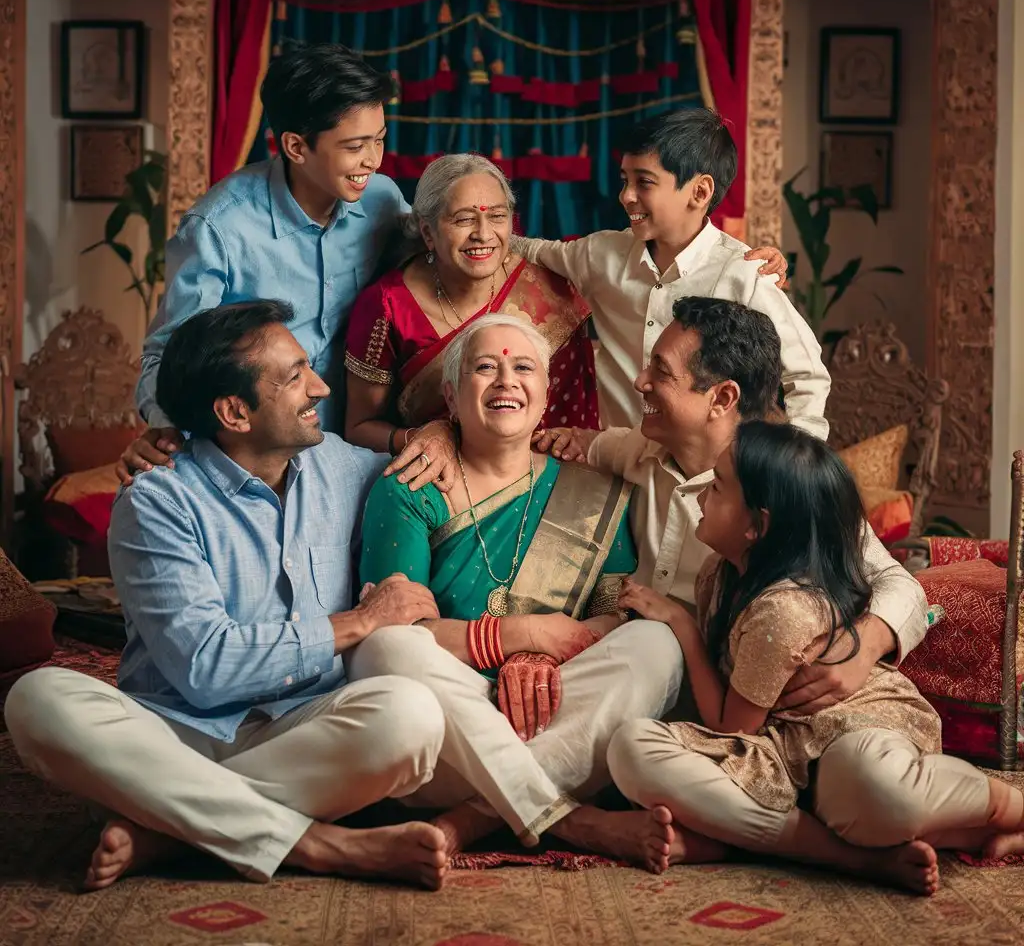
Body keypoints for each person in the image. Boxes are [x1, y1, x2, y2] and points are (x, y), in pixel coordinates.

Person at [4, 301, 454, 891]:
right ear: (235, 412)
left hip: (302, 731)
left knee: (411, 717)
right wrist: (359, 622)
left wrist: (441, 432)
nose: (319, 387)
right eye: (294, 377)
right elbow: (205, 668)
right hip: (171, 733)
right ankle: (320, 844)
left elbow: (439, 459)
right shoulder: (157, 503)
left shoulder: (341, 467)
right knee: (39, 699)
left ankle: (171, 828)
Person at [607, 420, 1024, 894]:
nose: (701, 495)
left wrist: (680, 625)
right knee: (630, 748)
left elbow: (732, 731)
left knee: (877, 791)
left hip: (857, 730)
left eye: (718, 488)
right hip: (789, 756)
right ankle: (854, 856)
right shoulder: (717, 575)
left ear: (757, 525)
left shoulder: (781, 612)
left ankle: (1011, 811)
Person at [347, 314, 686, 865]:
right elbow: (399, 626)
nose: (507, 379)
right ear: (452, 400)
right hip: (446, 725)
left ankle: (478, 817)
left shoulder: (594, 490)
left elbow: (613, 616)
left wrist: (545, 656)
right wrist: (516, 635)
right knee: (385, 650)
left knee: (657, 643)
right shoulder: (412, 484)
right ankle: (570, 820)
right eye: (486, 367)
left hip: (553, 713)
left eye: (523, 367)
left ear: (546, 395)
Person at [536, 297, 928, 715]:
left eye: (661, 371)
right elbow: (574, 442)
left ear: (722, 398)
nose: (640, 381)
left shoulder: (785, 486)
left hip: (735, 703)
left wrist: (864, 648)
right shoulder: (639, 447)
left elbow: (902, 585)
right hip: (632, 663)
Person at [118, 43, 446, 490]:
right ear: (295, 145)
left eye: (380, 139)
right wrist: (165, 428)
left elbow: (433, 271)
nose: (373, 160)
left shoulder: (383, 200)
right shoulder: (218, 228)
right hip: (253, 461)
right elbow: (168, 352)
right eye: (355, 146)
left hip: (357, 455)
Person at [510, 107, 830, 435]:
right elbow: (530, 250)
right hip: (613, 465)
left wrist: (795, 471)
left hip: (708, 478)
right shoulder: (600, 255)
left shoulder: (744, 274)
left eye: (644, 182)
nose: (626, 196)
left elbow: (807, 376)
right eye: (625, 181)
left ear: (700, 192)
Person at [343, 154, 600, 460]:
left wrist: (571, 441)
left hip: (549, 474)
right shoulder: (388, 306)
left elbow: (577, 412)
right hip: (438, 482)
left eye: (497, 216)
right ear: (428, 233)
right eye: (464, 219)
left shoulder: (548, 289)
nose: (483, 233)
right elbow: (359, 427)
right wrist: (420, 440)